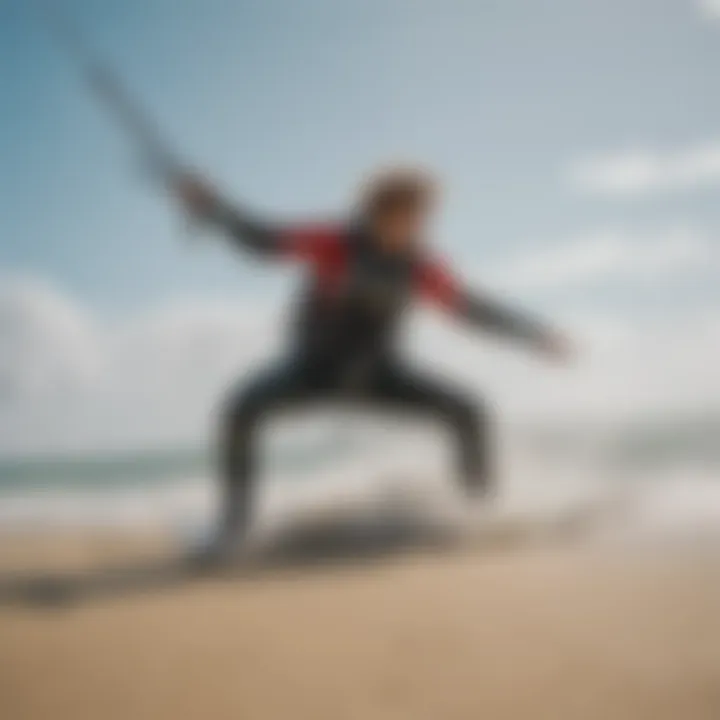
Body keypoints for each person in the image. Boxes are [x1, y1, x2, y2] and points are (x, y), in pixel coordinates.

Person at [173, 166, 570, 559]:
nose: (413, 224)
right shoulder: (334, 243)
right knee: (241, 410)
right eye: (403, 213)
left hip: (379, 374)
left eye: (420, 215)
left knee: (468, 409)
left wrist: (533, 334)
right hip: (313, 371)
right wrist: (212, 206)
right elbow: (262, 241)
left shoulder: (420, 267)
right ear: (376, 210)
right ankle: (233, 529)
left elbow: (471, 309)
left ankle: (477, 513)